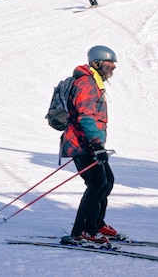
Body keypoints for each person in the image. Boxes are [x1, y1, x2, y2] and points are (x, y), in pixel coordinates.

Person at [60, 45, 118, 246]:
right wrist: (95, 145)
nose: (113, 67)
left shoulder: (95, 82)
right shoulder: (86, 84)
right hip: (81, 144)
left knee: (107, 181)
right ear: (96, 63)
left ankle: (96, 223)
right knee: (96, 184)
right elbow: (85, 117)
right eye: (110, 63)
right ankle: (83, 231)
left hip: (90, 144)